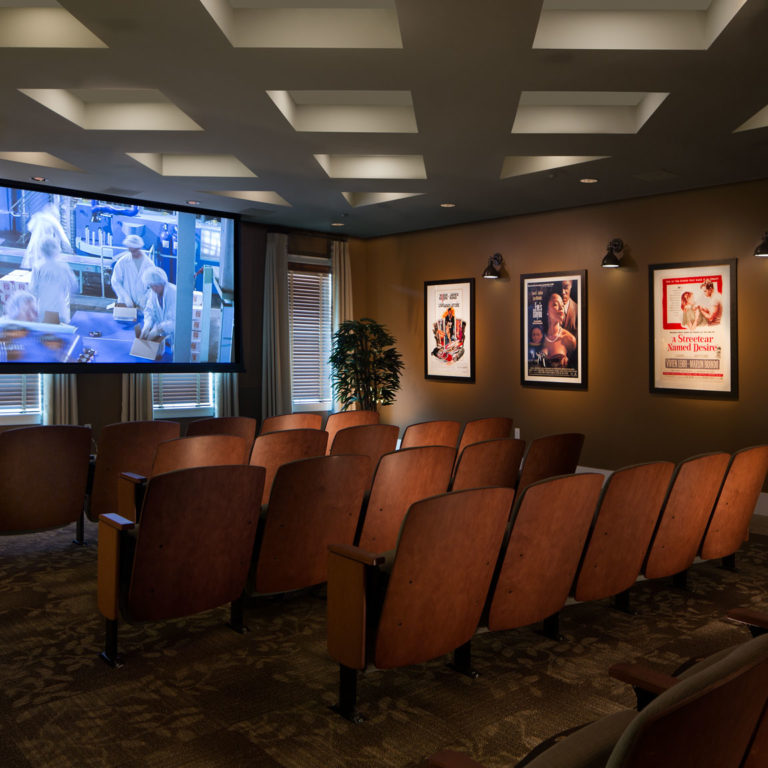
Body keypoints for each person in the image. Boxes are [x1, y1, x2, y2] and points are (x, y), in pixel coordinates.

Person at [29, 237, 78, 323]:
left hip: (44, 309)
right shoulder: (63, 266)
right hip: (60, 308)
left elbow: (32, 288)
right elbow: (74, 285)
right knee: (62, 333)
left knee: (48, 333)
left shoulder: (38, 266)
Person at [22, 203, 72, 269]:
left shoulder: (37, 216)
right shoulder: (53, 220)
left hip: (35, 244)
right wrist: (70, 248)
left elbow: (29, 228)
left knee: (35, 265)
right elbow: (62, 235)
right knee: (46, 264)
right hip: (46, 245)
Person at [111, 234, 154, 308]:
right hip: (125, 303)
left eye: (135, 250)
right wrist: (125, 297)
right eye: (131, 250)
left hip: (142, 305)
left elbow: (153, 286)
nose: (133, 253)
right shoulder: (122, 262)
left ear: (139, 248)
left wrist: (145, 298)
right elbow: (115, 281)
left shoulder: (149, 264)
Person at [141, 267, 176, 351]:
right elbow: (149, 310)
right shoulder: (153, 293)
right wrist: (147, 325)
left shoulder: (174, 293)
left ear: (162, 282)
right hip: (164, 338)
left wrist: (158, 329)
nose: (153, 289)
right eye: (151, 286)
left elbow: (177, 321)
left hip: (175, 337)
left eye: (155, 286)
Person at [541, 288, 577, 367]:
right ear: (547, 310)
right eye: (556, 304)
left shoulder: (569, 340)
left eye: (562, 305)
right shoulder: (538, 336)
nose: (561, 308)